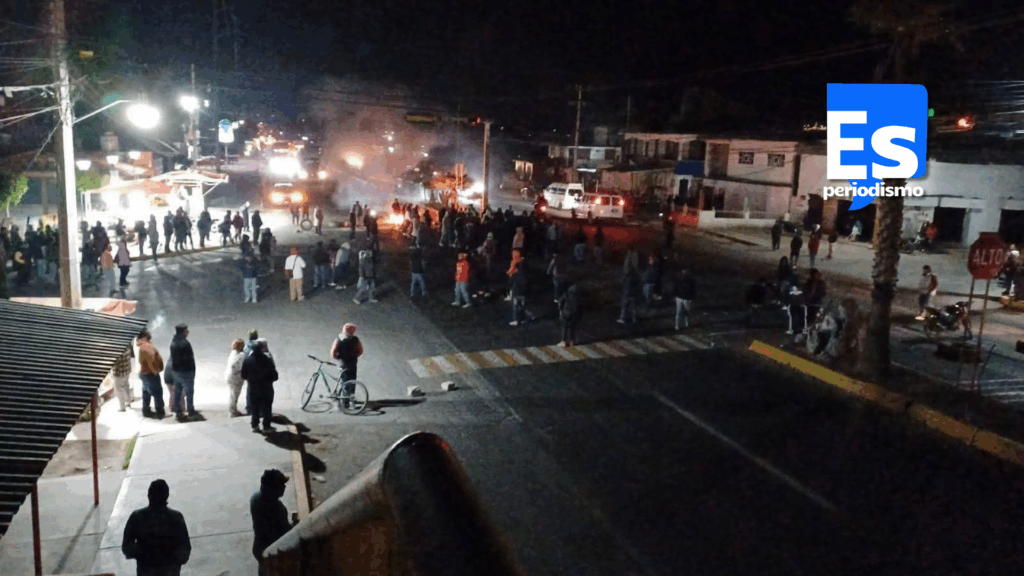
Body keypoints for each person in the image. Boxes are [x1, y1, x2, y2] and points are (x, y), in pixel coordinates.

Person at [121, 479, 191, 576]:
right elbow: (185, 550)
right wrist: (171, 559)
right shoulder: (176, 518)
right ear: (167, 496)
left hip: (146, 569)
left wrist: (144, 554)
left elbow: (127, 547)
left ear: (148, 495)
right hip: (170, 570)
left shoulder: (137, 517)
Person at [250, 469, 295, 576]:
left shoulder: (256, 498)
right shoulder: (277, 508)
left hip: (259, 547)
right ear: (274, 489)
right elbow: (285, 533)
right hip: (272, 549)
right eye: (282, 485)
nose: (284, 487)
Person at [242, 339, 279, 433]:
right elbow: (274, 375)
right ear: (261, 349)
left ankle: (255, 425)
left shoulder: (247, 360)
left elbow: (243, 375)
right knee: (267, 407)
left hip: (253, 388)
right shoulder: (267, 360)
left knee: (255, 407)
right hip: (266, 388)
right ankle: (266, 427)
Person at [330, 323, 363, 409]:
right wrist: (355, 357)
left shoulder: (339, 339)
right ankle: (351, 399)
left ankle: (344, 403)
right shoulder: (355, 339)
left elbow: (333, 351)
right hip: (352, 362)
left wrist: (338, 359)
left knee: (344, 381)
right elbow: (360, 350)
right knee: (352, 380)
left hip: (343, 363)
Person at [169, 324, 197, 422]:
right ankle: (191, 410)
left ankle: (177, 410)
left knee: (178, 391)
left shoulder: (173, 341)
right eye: (186, 330)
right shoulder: (184, 343)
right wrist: (192, 371)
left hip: (176, 372)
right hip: (186, 372)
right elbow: (189, 358)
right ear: (183, 332)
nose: (188, 332)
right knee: (189, 392)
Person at [137, 330, 165, 419]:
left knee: (146, 393)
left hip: (144, 373)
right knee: (157, 393)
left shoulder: (142, 345)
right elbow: (151, 361)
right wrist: (155, 371)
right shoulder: (146, 346)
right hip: (150, 374)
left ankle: (146, 411)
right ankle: (160, 412)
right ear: (144, 336)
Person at [111, 344, 135, 412]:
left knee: (119, 389)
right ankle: (128, 402)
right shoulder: (128, 345)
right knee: (126, 385)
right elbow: (133, 355)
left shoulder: (115, 350)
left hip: (118, 373)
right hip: (127, 370)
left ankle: (122, 407)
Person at [557, 282, 582, 347]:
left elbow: (560, 302)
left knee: (564, 327)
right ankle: (571, 341)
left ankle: (564, 341)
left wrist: (561, 311)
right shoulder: (578, 296)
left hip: (567, 312)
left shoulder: (567, 294)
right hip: (575, 313)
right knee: (572, 327)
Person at [226, 339, 245, 417]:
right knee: (235, 395)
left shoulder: (232, 353)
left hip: (229, 376)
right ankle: (232, 411)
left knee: (232, 394)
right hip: (236, 377)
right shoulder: (241, 355)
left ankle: (233, 409)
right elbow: (236, 366)